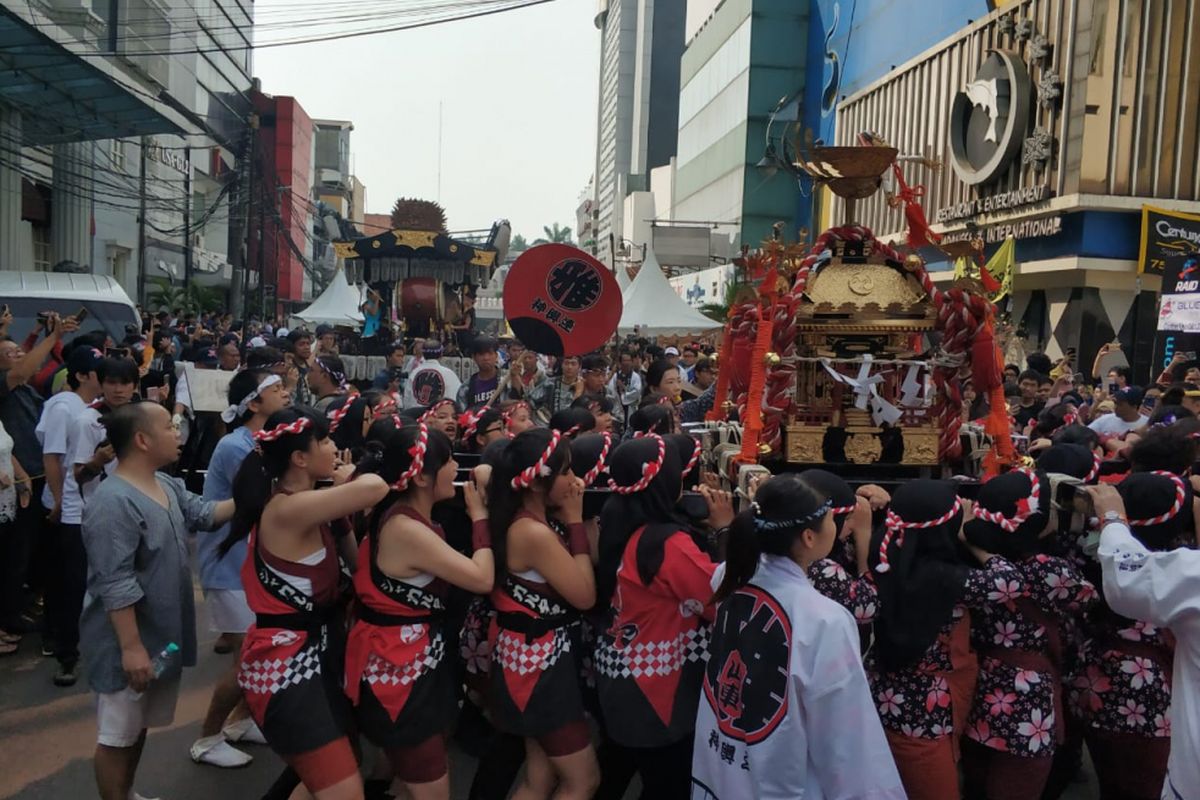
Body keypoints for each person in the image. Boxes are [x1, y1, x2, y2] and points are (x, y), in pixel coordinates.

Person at [694, 474, 905, 800]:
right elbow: (847, 741)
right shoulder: (825, 620)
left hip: (729, 760)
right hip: (785, 775)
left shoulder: (731, 575)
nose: (839, 526)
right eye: (834, 519)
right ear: (809, 537)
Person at [226, 407, 389, 799]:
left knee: (334, 771)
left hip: (314, 658)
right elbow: (375, 489)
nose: (336, 448)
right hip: (287, 669)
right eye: (327, 440)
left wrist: (337, 500)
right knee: (345, 788)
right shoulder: (287, 508)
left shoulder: (312, 506)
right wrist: (345, 481)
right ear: (300, 457)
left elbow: (353, 563)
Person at [78, 402, 235, 800]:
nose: (178, 433)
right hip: (126, 645)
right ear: (143, 440)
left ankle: (127, 792)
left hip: (160, 638)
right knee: (117, 735)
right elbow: (115, 583)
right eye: (170, 426)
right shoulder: (113, 502)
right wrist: (131, 649)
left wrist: (254, 494)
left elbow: (203, 513)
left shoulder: (165, 484)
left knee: (138, 723)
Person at [345, 423, 494, 800]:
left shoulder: (402, 514)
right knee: (430, 783)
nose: (456, 467)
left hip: (409, 664)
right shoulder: (405, 527)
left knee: (402, 767)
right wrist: (480, 517)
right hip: (400, 672)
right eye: (448, 461)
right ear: (423, 476)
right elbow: (481, 578)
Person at [592, 436, 729, 800]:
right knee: (668, 784)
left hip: (620, 669)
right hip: (656, 687)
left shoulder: (616, 518)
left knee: (617, 771)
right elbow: (720, 601)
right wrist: (726, 529)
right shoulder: (667, 543)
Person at [960, 470, 1097, 800]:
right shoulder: (1049, 569)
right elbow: (1089, 599)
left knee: (977, 781)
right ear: (1033, 519)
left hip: (977, 686)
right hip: (1028, 698)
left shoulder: (962, 559)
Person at [485, 428, 599, 800]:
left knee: (541, 778)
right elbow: (584, 595)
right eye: (564, 472)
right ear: (535, 483)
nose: (574, 480)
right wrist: (575, 519)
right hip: (539, 668)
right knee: (583, 780)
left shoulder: (523, 517)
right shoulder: (532, 532)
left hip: (528, 659)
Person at [1070, 473, 1191, 800]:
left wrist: (1111, 521)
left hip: (1095, 679)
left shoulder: (1083, 552)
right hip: (1148, 693)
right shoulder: (1177, 569)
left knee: (1114, 779)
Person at [189, 370, 289, 768]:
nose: (284, 393)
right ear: (253, 403)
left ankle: (240, 721)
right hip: (228, 565)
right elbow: (265, 497)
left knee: (259, 650)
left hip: (251, 565)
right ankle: (206, 738)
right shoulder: (236, 446)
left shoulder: (264, 440)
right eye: (276, 389)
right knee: (248, 656)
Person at [0, 311, 79, 638]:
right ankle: (9, 618)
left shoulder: (24, 390)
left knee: (34, 551)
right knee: (15, 554)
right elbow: (24, 369)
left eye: (18, 349)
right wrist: (53, 336)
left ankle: (24, 603)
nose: (19, 354)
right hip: (19, 482)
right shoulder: (4, 385)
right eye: (9, 352)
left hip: (36, 476)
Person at [36, 345, 102, 664]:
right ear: (81, 376)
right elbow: (52, 457)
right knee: (63, 578)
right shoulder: (65, 407)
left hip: (75, 502)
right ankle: (56, 639)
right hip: (61, 505)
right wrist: (60, 502)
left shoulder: (85, 406)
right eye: (99, 372)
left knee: (68, 575)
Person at [405, 340, 462, 410]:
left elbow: (407, 400)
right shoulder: (448, 374)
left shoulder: (414, 373)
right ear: (441, 354)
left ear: (423, 354)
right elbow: (457, 396)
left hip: (416, 416)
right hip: (441, 414)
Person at [531, 355, 583, 421]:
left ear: (579, 367)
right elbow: (531, 400)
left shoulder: (584, 385)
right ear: (562, 365)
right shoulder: (550, 383)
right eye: (566, 363)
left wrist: (578, 392)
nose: (569, 367)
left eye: (573, 364)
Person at [459, 337, 504, 408]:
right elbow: (462, 413)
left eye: (490, 353)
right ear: (474, 357)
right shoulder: (466, 388)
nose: (486, 358)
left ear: (496, 356)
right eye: (481, 354)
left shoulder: (506, 381)